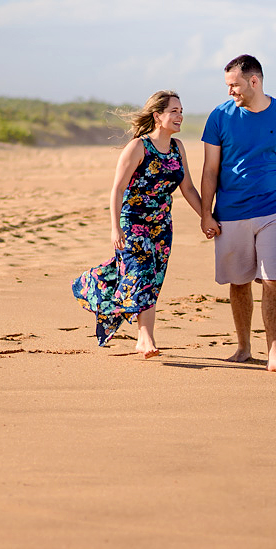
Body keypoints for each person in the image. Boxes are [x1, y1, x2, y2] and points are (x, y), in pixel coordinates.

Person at [199, 54, 276, 373]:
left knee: (273, 280)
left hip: (274, 210)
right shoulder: (219, 117)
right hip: (231, 213)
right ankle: (243, 348)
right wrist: (205, 213)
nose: (230, 92)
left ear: (253, 81)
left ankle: (275, 354)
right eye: (228, 86)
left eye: (234, 85)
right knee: (239, 283)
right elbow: (210, 170)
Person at [73, 90, 205, 357]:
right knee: (142, 273)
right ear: (157, 116)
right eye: (174, 111)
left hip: (162, 225)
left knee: (153, 279)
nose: (180, 116)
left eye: (181, 111)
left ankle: (102, 290)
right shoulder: (138, 147)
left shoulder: (178, 148)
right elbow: (118, 189)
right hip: (133, 222)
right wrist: (115, 228)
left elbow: (188, 188)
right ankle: (145, 340)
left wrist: (207, 216)